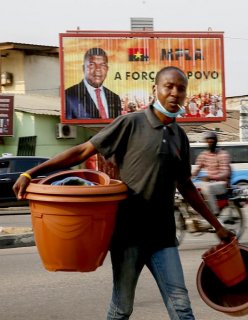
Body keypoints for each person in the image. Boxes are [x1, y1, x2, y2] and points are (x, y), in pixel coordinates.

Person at [13, 66, 234, 320]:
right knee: (122, 308)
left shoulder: (179, 137)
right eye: (168, 87)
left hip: (163, 237)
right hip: (128, 237)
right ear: (155, 89)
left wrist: (217, 226)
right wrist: (30, 173)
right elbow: (82, 151)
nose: (174, 93)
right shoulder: (131, 123)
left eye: (180, 89)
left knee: (181, 307)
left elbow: (186, 185)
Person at [65, 47, 122, 120]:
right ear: (83, 68)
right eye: (92, 64)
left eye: (102, 65)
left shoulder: (115, 98)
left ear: (107, 69)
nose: (98, 69)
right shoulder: (69, 96)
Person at [191, 131, 231, 214]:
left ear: (216, 142)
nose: (210, 144)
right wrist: (188, 178)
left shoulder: (223, 154)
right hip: (208, 183)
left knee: (207, 188)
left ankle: (214, 213)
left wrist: (211, 177)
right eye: (208, 142)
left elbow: (225, 172)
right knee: (190, 187)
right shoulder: (203, 155)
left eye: (212, 142)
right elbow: (197, 169)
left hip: (222, 184)